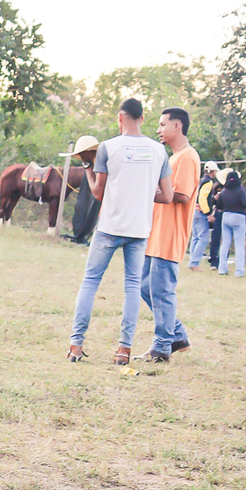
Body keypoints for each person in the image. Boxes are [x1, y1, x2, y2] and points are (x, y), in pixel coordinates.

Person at [66, 98, 173, 365]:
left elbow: (98, 192)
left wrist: (88, 167)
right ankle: (124, 350)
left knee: (90, 282)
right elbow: (168, 196)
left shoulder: (108, 147)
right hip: (139, 229)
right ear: (142, 118)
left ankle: (76, 345)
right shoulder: (159, 151)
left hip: (109, 227)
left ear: (120, 118)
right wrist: (143, 192)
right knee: (132, 287)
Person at [137, 107, 200, 361]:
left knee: (162, 292)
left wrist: (146, 190)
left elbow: (182, 195)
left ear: (177, 126)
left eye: (163, 125)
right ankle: (177, 335)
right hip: (156, 234)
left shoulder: (187, 157)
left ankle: (162, 348)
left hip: (170, 236)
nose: (158, 130)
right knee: (144, 287)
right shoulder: (173, 158)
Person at [214, 168, 246, 275]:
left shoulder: (224, 191)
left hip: (226, 216)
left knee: (225, 244)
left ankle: (222, 269)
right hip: (238, 217)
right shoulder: (240, 191)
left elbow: (218, 205)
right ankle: (239, 271)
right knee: (239, 245)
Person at [67, 135, 101, 243]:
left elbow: (97, 193)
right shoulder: (91, 165)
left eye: (82, 153)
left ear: (89, 151)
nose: (80, 157)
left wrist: (88, 170)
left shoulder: (101, 166)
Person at [189, 162, 220, 269]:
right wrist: (208, 213)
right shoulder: (208, 182)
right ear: (213, 171)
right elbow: (202, 197)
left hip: (194, 210)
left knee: (195, 237)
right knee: (203, 238)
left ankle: (192, 259)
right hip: (201, 212)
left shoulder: (200, 180)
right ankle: (194, 262)